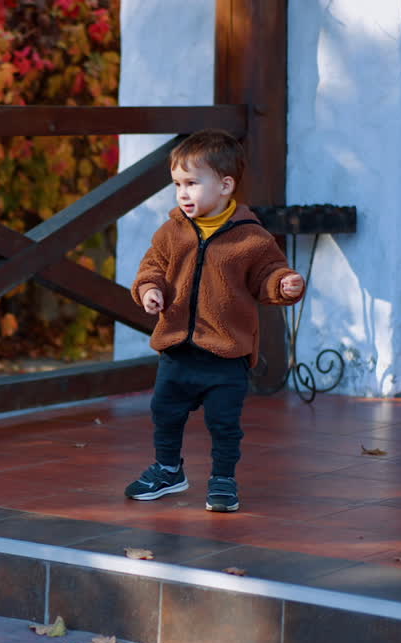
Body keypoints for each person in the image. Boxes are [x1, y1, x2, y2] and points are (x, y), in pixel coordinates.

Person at [123, 129, 304, 512]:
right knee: (164, 411)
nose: (183, 193)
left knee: (224, 422)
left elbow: (268, 274)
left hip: (226, 352)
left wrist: (284, 284)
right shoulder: (172, 231)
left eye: (192, 183)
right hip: (177, 347)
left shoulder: (251, 238)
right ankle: (169, 469)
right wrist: (149, 289)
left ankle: (223, 478)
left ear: (225, 185)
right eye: (177, 184)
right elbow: (150, 267)